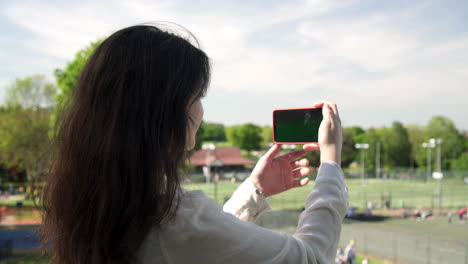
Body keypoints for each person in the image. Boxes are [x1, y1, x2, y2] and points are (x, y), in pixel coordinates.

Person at [40, 24, 348, 264]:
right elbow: (311, 257)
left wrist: (255, 190)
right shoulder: (170, 217)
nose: (201, 112)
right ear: (166, 113)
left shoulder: (99, 198)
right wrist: (331, 163)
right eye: (198, 97)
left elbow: (196, 244)